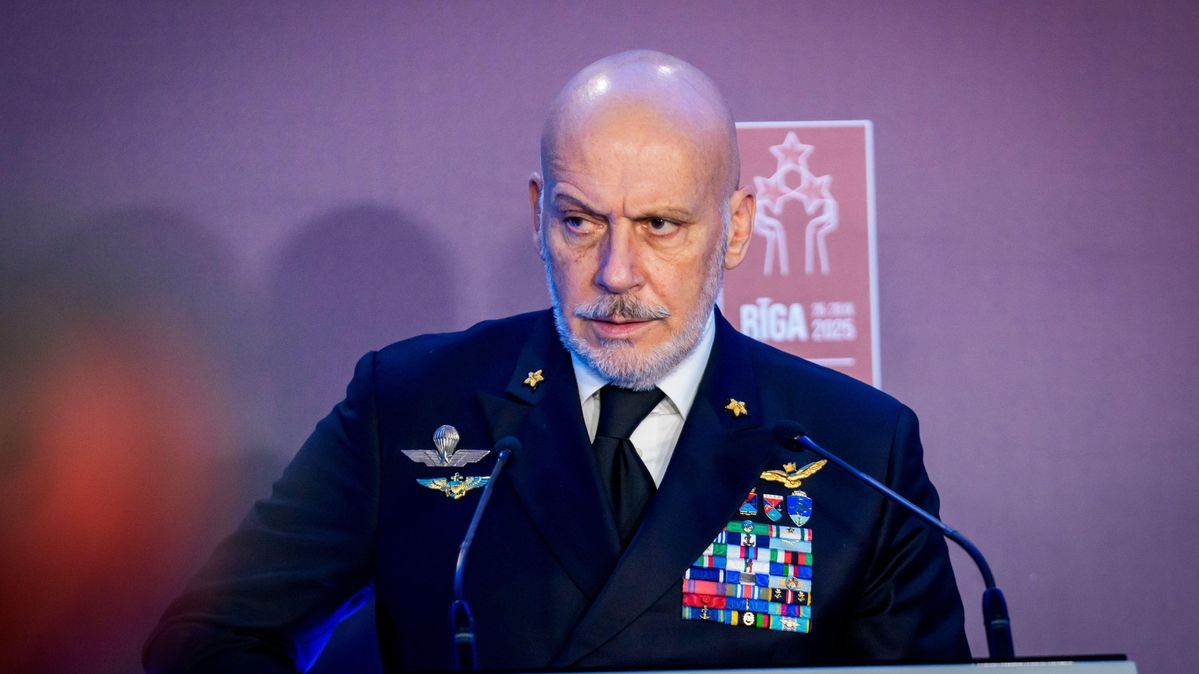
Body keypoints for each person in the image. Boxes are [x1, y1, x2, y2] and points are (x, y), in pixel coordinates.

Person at [144, 49, 968, 672]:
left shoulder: (859, 448)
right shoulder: (409, 403)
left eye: (660, 226)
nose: (616, 273)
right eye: (581, 222)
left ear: (738, 228)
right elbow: (208, 635)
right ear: (539, 214)